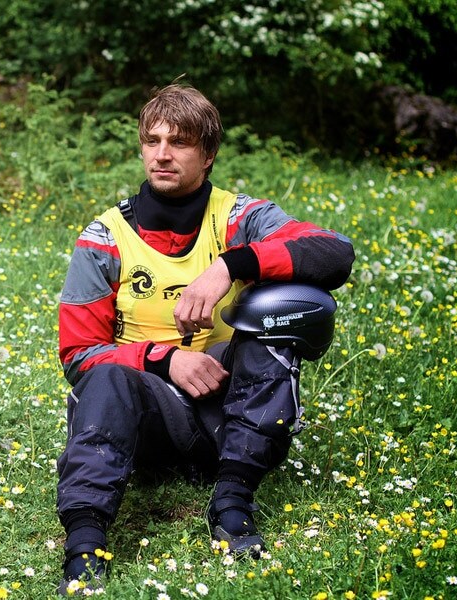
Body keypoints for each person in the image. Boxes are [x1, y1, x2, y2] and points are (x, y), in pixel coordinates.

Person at [55, 83, 354, 594]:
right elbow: (78, 355)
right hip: (145, 418)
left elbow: (334, 252)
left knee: (272, 330)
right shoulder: (103, 238)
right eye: (152, 141)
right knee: (105, 377)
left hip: (228, 410)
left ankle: (233, 502)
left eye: (179, 142)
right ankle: (86, 546)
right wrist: (163, 360)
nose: (162, 154)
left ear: (208, 153)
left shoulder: (241, 218)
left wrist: (231, 265)